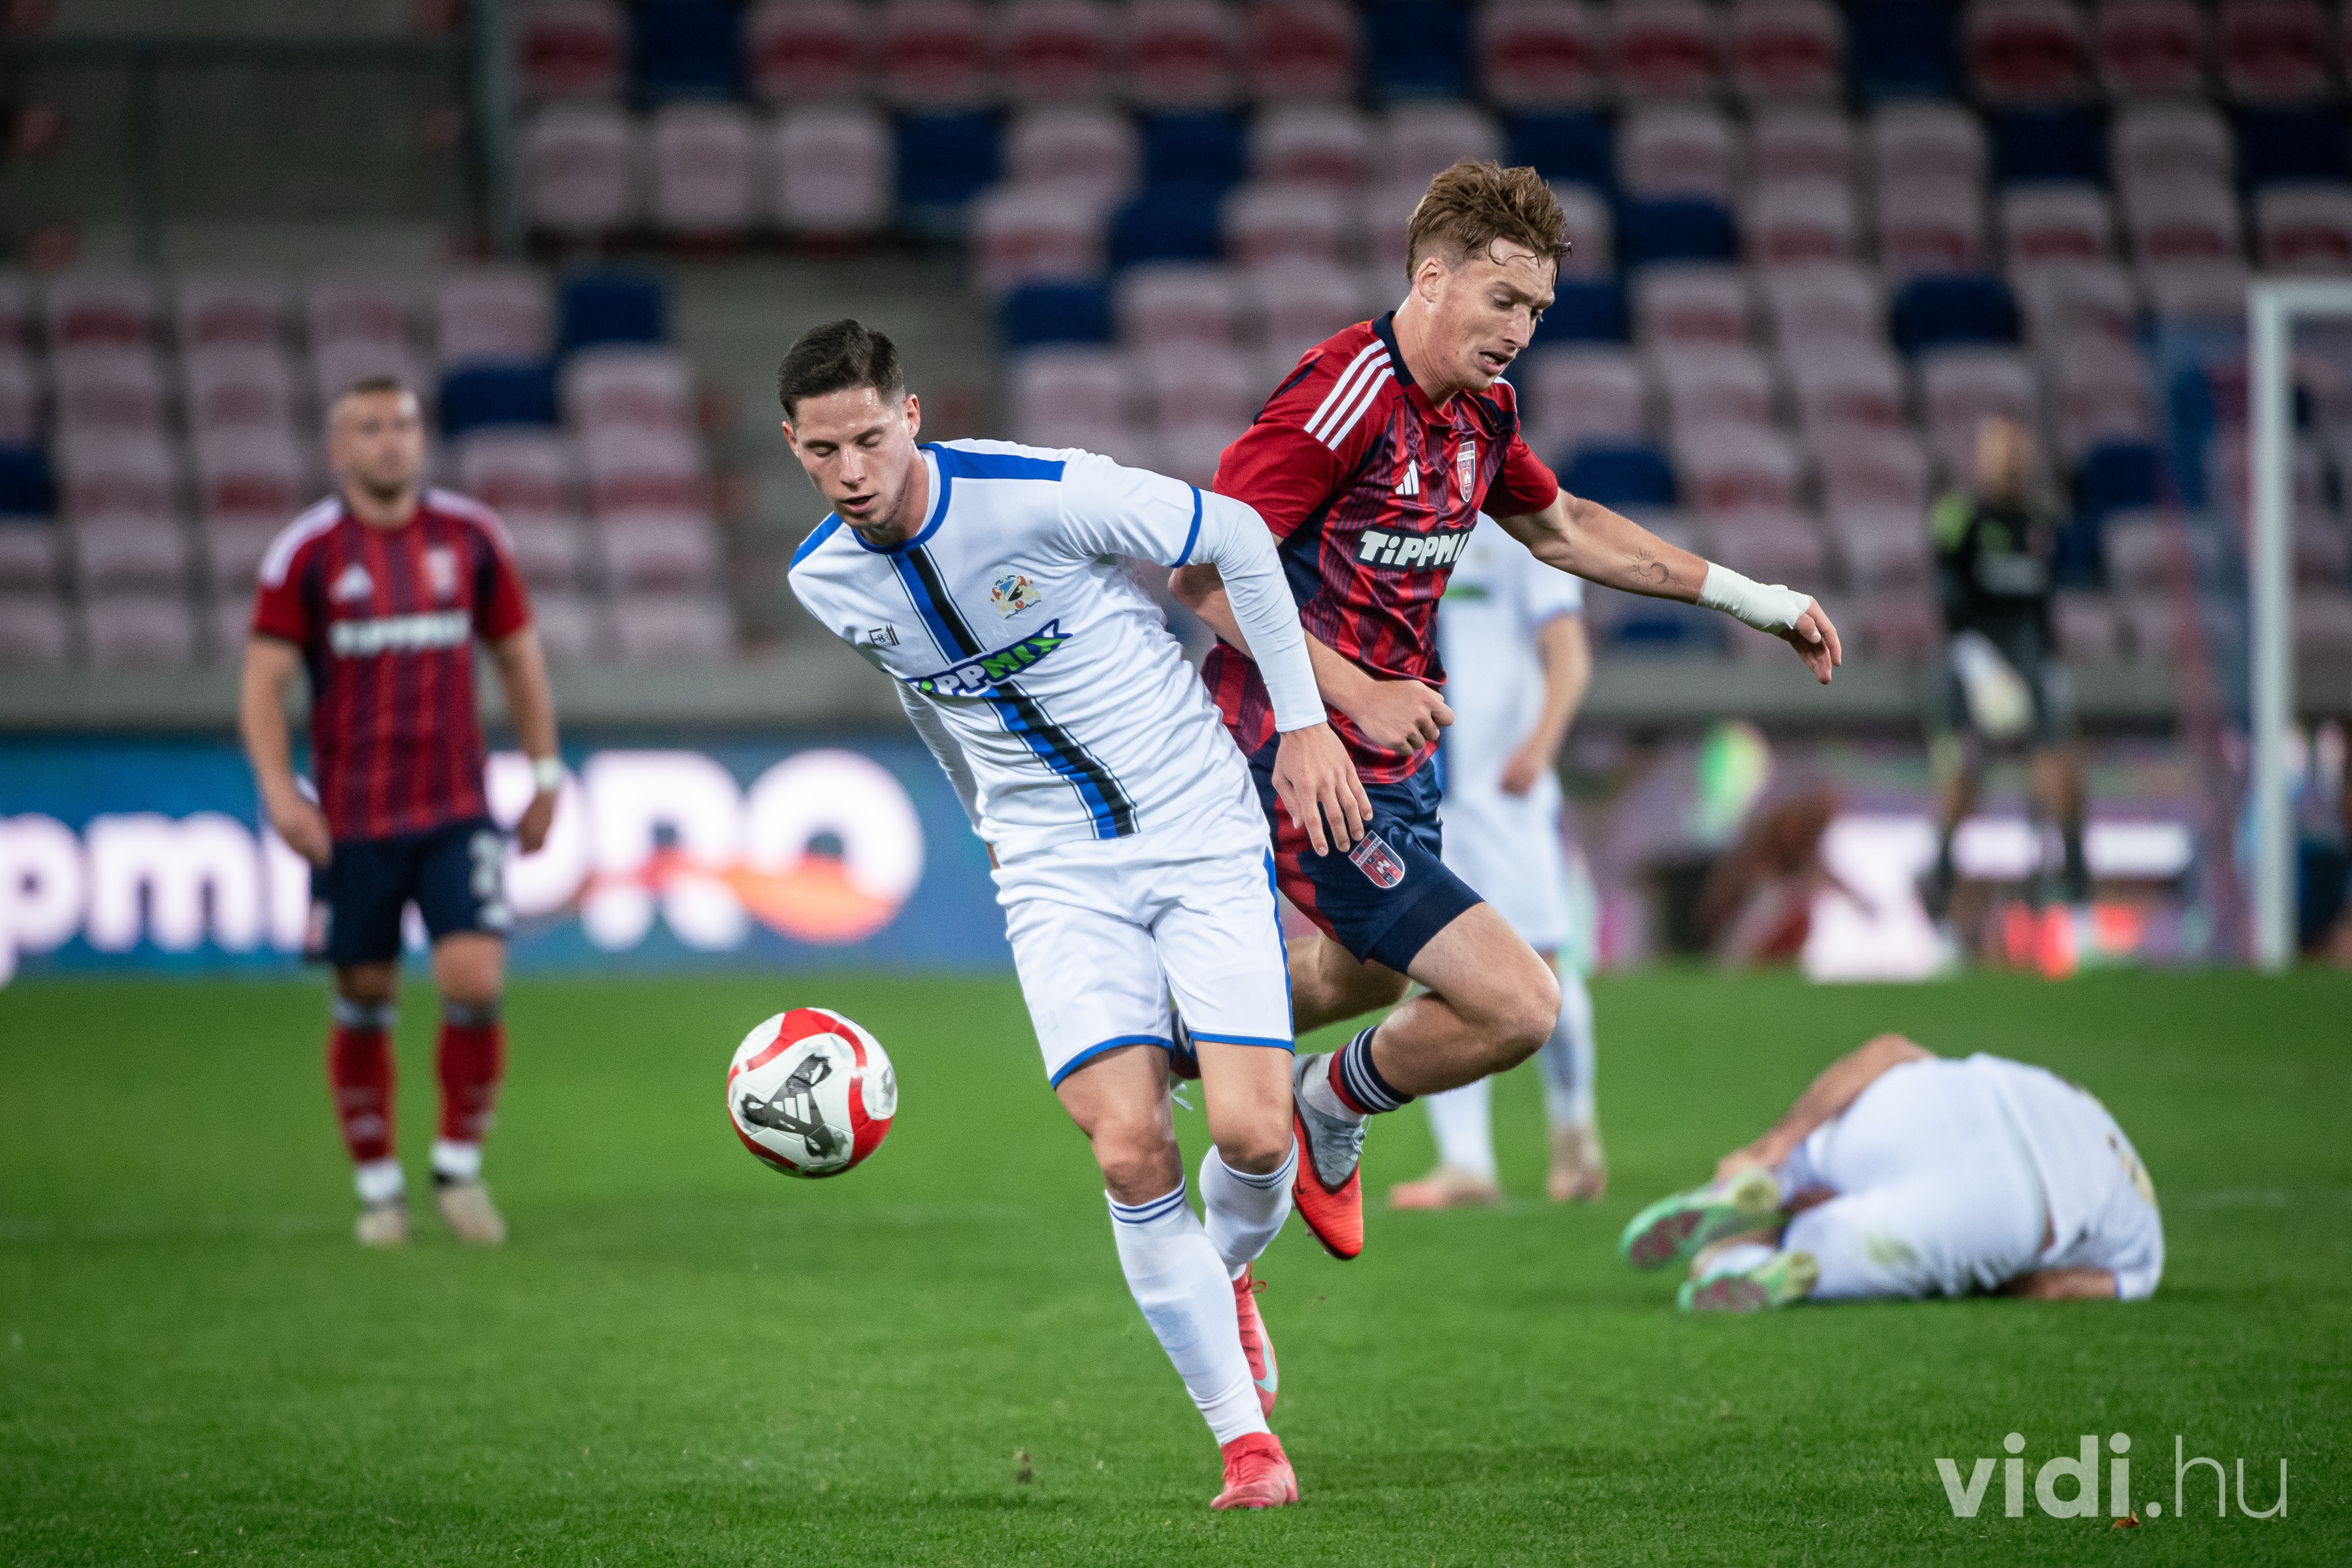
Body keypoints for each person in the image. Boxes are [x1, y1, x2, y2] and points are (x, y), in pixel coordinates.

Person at [1169, 159, 1842, 1261]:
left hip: (1393, 760)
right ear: (1431, 279)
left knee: (1368, 970)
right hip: (1297, 747)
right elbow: (1202, 579)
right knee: (1518, 1004)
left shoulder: (1482, 414)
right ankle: (1324, 1103)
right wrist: (1345, 698)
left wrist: (1757, 601)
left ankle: (1169, 1042)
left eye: (1537, 309)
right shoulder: (1343, 396)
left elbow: (1568, 529)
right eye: (1504, 300)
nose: (1521, 330)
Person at [780, 320, 1368, 1512]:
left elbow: (1234, 533)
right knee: (1129, 1148)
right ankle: (1247, 1448)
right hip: (1052, 867)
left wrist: (1305, 723)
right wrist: (981, 818)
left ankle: (1228, 1272)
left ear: (911, 417)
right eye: (823, 451)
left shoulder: (1040, 492)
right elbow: (925, 695)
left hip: (1195, 822)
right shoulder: (822, 580)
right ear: (792, 445)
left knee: (1256, 1138)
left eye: (870, 439)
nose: (852, 471)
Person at [239, 377, 561, 1249]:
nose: (391, 440)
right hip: (353, 822)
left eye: (405, 425)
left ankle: (458, 1171)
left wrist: (544, 773)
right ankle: (380, 1188)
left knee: (475, 981)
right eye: (371, 427)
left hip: (457, 811)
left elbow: (518, 658)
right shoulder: (305, 554)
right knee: (365, 993)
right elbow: (263, 684)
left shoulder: (472, 537)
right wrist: (280, 792)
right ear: (339, 449)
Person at [1388, 514, 1605, 1209]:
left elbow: (1568, 654)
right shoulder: (1394, 523)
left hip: (1505, 796)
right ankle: (1465, 1163)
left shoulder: (1515, 527)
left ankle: (1574, 1129)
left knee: (1544, 966)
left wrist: (1539, 749)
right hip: (1421, 794)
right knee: (1439, 968)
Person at [1618, 1033, 2163, 1311]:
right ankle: (1751, 1263)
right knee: (1804, 1254)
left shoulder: (2068, 1097)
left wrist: (1776, 1141)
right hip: (2005, 1205)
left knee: (1812, 1156)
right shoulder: (2143, 1253)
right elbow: (2051, 1288)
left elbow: (1891, 1049)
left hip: (1943, 1105)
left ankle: (1775, 1175)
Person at [1918, 414, 2089, 928]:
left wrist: (2049, 663)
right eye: (2002, 452)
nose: (2012, 464)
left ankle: (2077, 897)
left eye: (2019, 453)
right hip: (1973, 656)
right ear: (1982, 458)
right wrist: (1978, 664)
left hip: (2030, 658)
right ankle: (1941, 886)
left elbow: (2045, 605)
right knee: (1963, 767)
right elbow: (1949, 600)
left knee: (2062, 765)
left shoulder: (2042, 525)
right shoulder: (1959, 517)